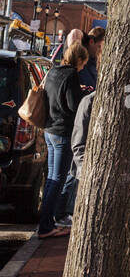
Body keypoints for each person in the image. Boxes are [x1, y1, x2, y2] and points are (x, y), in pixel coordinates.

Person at [37, 40, 88, 239]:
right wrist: (84, 93)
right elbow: (73, 105)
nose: (84, 66)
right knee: (57, 179)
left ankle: (47, 221)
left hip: (49, 129)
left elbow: (55, 96)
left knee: (51, 178)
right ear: (80, 60)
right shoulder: (72, 75)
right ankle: (46, 226)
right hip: (62, 132)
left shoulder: (54, 71)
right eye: (84, 62)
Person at [55, 88, 96, 226]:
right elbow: (78, 143)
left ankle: (62, 213)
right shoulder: (89, 101)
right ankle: (62, 213)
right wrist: (84, 169)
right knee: (64, 178)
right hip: (88, 169)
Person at [79, 27, 105, 92]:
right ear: (91, 42)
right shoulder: (82, 64)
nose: (101, 51)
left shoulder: (93, 61)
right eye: (99, 47)